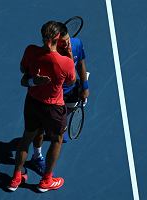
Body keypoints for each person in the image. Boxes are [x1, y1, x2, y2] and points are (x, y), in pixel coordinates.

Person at [7, 21, 76, 192]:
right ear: (58, 38)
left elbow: (23, 70)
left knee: (26, 139)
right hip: (53, 109)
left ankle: (15, 178)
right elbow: (71, 81)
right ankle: (46, 181)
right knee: (56, 140)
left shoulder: (30, 50)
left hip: (32, 103)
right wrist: (68, 55)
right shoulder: (65, 62)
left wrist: (34, 79)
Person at [21, 23, 90, 176]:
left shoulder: (77, 43)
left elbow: (81, 65)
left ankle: (58, 128)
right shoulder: (49, 55)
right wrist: (68, 57)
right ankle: (37, 156)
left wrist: (85, 86)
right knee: (39, 131)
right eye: (63, 42)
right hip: (50, 99)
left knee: (60, 127)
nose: (67, 44)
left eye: (68, 40)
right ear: (55, 41)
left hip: (69, 95)